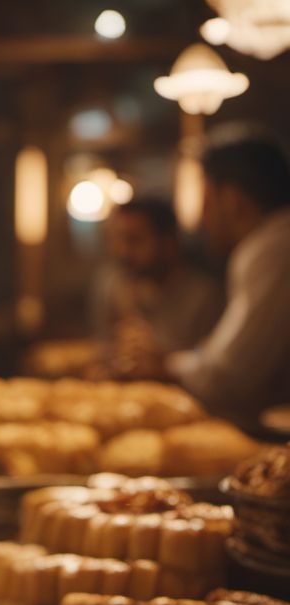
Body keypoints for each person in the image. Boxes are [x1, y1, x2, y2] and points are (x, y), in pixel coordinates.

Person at [117, 125, 290, 419]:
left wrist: (167, 364)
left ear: (233, 200)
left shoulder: (271, 248)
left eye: (206, 200)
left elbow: (229, 374)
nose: (201, 217)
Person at [89, 197, 223, 352]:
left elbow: (209, 364)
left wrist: (163, 356)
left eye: (134, 240)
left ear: (168, 242)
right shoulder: (112, 285)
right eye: (116, 239)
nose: (122, 252)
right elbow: (102, 349)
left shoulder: (204, 297)